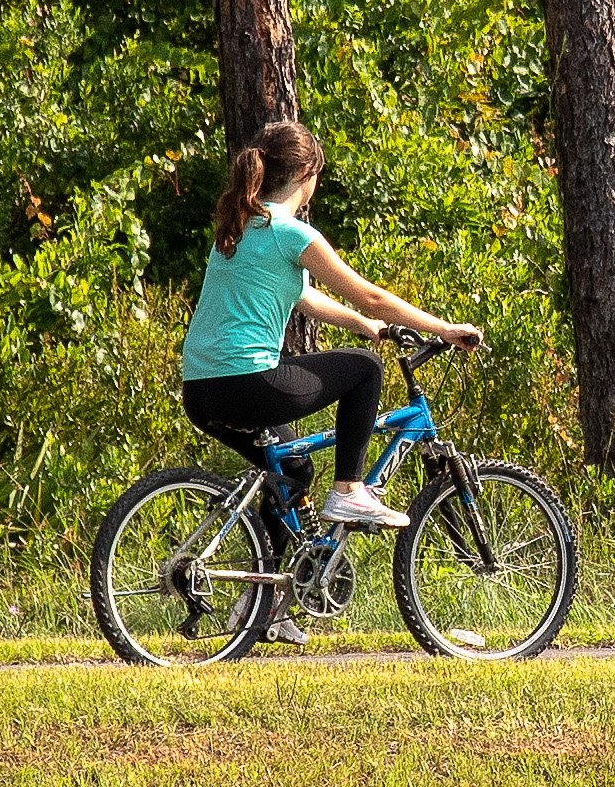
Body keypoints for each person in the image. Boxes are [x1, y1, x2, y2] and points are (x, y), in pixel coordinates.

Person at [176, 117, 473, 531]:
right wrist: (444, 328)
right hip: (249, 382)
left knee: (292, 473)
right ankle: (349, 491)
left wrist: (370, 327)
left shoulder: (239, 228)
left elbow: (305, 298)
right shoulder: (291, 232)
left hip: (201, 389)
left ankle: (264, 590)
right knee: (366, 368)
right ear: (304, 174)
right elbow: (371, 296)